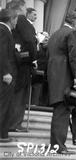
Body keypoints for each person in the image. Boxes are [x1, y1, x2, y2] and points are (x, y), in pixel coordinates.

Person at [47, 11, 76, 155]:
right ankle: (58, 146)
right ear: (74, 21)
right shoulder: (71, 33)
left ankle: (58, 144)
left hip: (54, 77)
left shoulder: (54, 34)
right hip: (65, 77)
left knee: (60, 110)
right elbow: (74, 55)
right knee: (63, 110)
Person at [7, 0, 37, 133]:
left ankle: (10, 123)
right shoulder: (24, 21)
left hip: (11, 63)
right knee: (20, 95)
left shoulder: (10, 21)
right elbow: (30, 42)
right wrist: (33, 58)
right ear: (22, 8)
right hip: (23, 64)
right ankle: (14, 124)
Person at [0, 9, 18, 142]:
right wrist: (6, 72)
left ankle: (3, 134)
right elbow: (2, 53)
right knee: (3, 105)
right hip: (5, 76)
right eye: (16, 19)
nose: (17, 22)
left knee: (5, 105)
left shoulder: (5, 30)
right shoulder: (2, 30)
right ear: (11, 19)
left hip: (8, 74)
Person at [31, 32, 49, 106]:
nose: (46, 38)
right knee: (36, 88)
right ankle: (34, 104)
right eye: (45, 36)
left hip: (45, 72)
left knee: (41, 90)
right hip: (36, 71)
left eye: (48, 37)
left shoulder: (48, 47)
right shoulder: (37, 45)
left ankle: (38, 104)